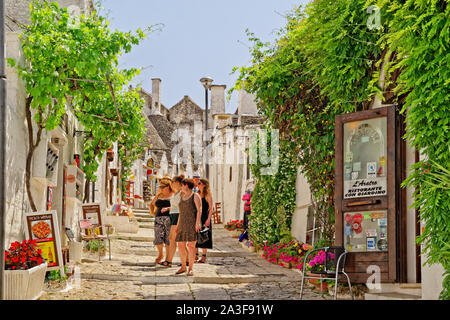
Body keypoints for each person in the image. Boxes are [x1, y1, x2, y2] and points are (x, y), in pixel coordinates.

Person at [175, 178, 202, 276]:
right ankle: (183, 266)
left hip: (192, 223)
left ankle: (190, 268)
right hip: (182, 223)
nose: (181, 187)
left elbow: (199, 210)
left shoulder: (195, 196)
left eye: (182, 185)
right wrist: (178, 224)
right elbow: (181, 212)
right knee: (180, 246)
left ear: (186, 185)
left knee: (191, 246)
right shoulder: (182, 196)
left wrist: (197, 223)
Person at [149, 177, 174, 265]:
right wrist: (152, 212)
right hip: (158, 218)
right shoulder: (159, 195)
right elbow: (151, 204)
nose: (160, 188)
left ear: (168, 187)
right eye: (160, 187)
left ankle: (167, 258)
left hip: (169, 219)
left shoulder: (173, 195)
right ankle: (160, 254)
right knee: (158, 238)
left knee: (168, 239)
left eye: (162, 187)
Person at [163, 174, 185, 268]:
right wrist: (168, 208)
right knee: (173, 239)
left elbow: (182, 205)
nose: (172, 183)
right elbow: (175, 205)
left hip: (177, 216)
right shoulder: (176, 193)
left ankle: (170, 261)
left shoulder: (182, 193)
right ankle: (170, 260)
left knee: (173, 238)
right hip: (172, 214)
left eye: (173, 182)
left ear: (178, 183)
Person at [195, 178, 213, 263]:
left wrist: (208, 219)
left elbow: (211, 208)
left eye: (199, 183)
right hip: (197, 217)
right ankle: (195, 255)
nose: (197, 185)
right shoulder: (197, 194)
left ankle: (204, 256)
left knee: (204, 236)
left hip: (205, 217)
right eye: (197, 183)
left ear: (204, 185)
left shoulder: (208, 195)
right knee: (195, 235)